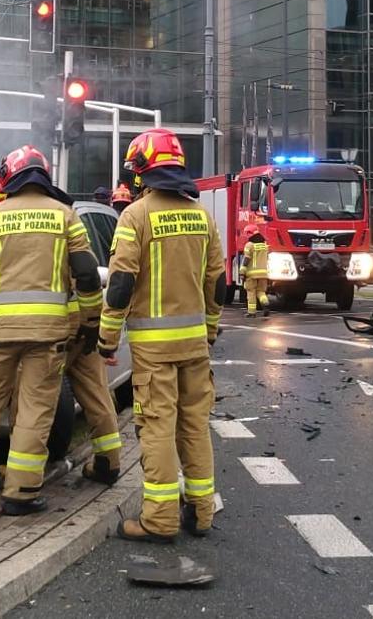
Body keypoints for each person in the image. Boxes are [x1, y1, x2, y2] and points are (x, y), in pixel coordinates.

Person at [0, 146, 114, 513]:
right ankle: (20, 493)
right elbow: (87, 275)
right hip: (47, 334)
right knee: (35, 409)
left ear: (10, 176)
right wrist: (91, 323)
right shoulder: (65, 215)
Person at [98, 128, 225, 543]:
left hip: (154, 351)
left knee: (156, 430)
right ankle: (201, 513)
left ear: (142, 169)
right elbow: (217, 282)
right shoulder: (201, 215)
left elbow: (120, 283)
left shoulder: (135, 216)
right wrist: (209, 329)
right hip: (195, 346)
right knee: (195, 426)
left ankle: (160, 520)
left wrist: (107, 339)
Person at [241, 224, 270, 317]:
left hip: (251, 274)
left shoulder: (249, 245)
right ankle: (265, 303)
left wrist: (242, 272)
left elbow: (246, 259)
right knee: (261, 292)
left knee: (251, 292)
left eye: (247, 233)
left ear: (250, 233)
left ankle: (252, 312)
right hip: (263, 274)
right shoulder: (265, 245)